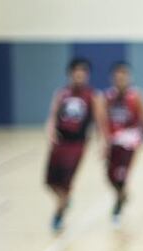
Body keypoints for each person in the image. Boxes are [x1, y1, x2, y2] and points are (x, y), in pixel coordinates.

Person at [44, 58, 107, 233]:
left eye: (83, 72)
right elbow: (53, 116)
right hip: (60, 142)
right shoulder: (62, 93)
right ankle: (65, 200)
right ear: (70, 74)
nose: (79, 75)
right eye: (76, 72)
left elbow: (100, 122)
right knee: (50, 182)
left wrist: (103, 143)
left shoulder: (93, 96)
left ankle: (58, 214)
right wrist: (50, 131)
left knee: (65, 183)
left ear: (87, 75)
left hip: (76, 144)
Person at [103, 61, 143, 224]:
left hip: (130, 141)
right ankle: (123, 195)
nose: (121, 79)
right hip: (113, 141)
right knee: (110, 177)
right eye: (118, 76)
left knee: (121, 176)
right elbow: (102, 121)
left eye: (124, 75)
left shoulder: (136, 96)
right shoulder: (107, 97)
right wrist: (103, 141)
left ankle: (118, 207)